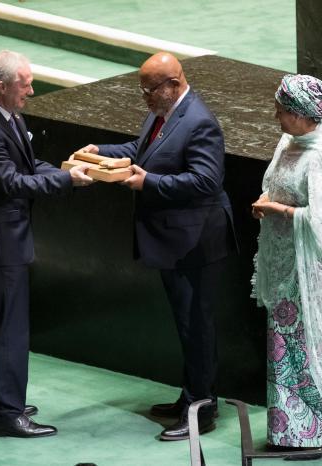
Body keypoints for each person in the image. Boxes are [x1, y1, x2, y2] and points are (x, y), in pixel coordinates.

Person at [80, 52, 237, 441]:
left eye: (150, 89)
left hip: (197, 243)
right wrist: (101, 152)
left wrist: (147, 182)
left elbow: (206, 182)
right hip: (175, 242)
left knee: (197, 328)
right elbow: (141, 149)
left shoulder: (200, 123)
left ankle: (202, 410)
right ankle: (190, 398)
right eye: (143, 89)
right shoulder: (162, 112)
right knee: (186, 325)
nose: (145, 97)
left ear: (174, 84)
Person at [0, 50, 94, 438]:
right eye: (25, 84)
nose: (31, 91)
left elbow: (29, 167)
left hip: (1, 240)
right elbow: (12, 183)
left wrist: (68, 169)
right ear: (2, 86)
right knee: (10, 329)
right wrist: (67, 181)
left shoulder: (7, 115)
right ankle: (7, 413)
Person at [251, 74, 322, 448]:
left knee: (310, 347)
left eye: (281, 111)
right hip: (285, 264)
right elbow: (275, 182)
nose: (276, 116)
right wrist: (266, 201)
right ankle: (288, 431)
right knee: (283, 347)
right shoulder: (290, 142)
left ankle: (319, 431)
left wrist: (279, 210)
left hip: (311, 271)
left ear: (301, 115)